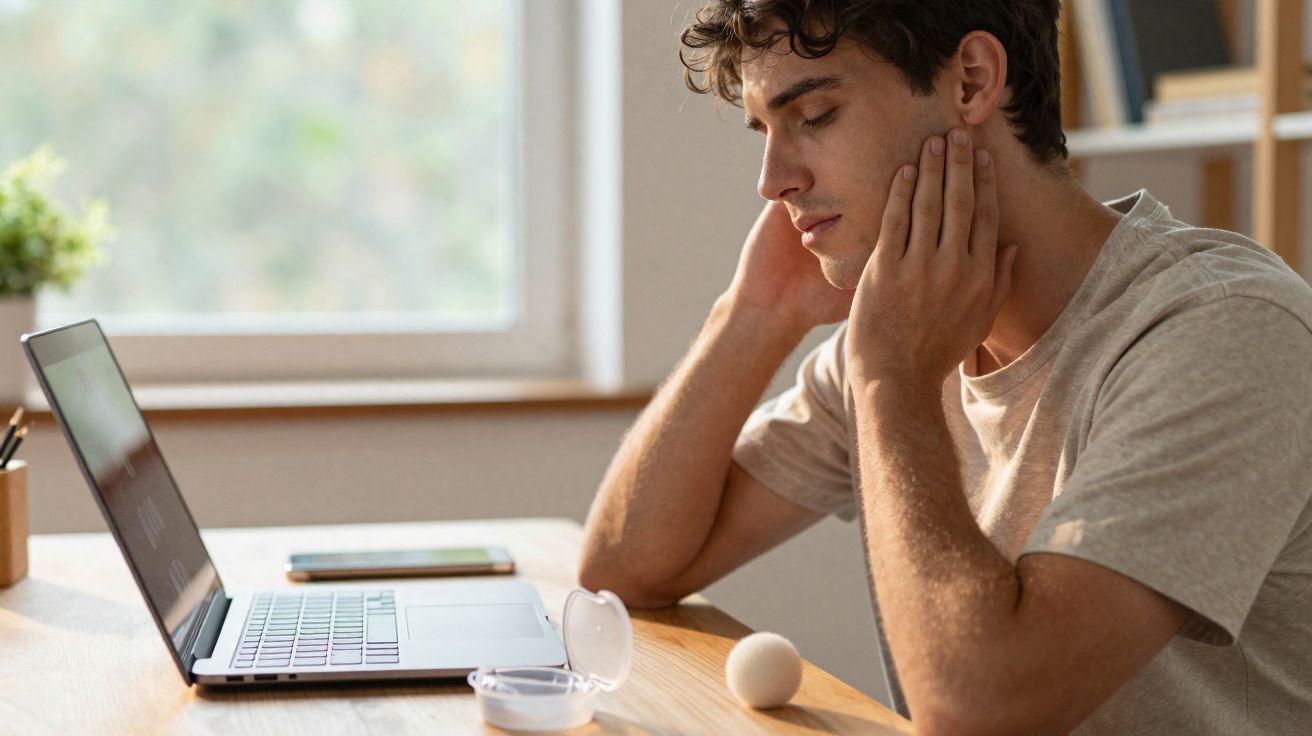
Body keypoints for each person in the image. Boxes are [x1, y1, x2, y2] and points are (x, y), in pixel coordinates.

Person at [578, 1, 1312, 733]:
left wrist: (891, 380)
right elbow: (625, 568)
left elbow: (977, 709)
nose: (772, 181)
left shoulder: (1225, 329)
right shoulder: (908, 333)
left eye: (816, 115)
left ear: (972, 81)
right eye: (764, 131)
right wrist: (753, 312)